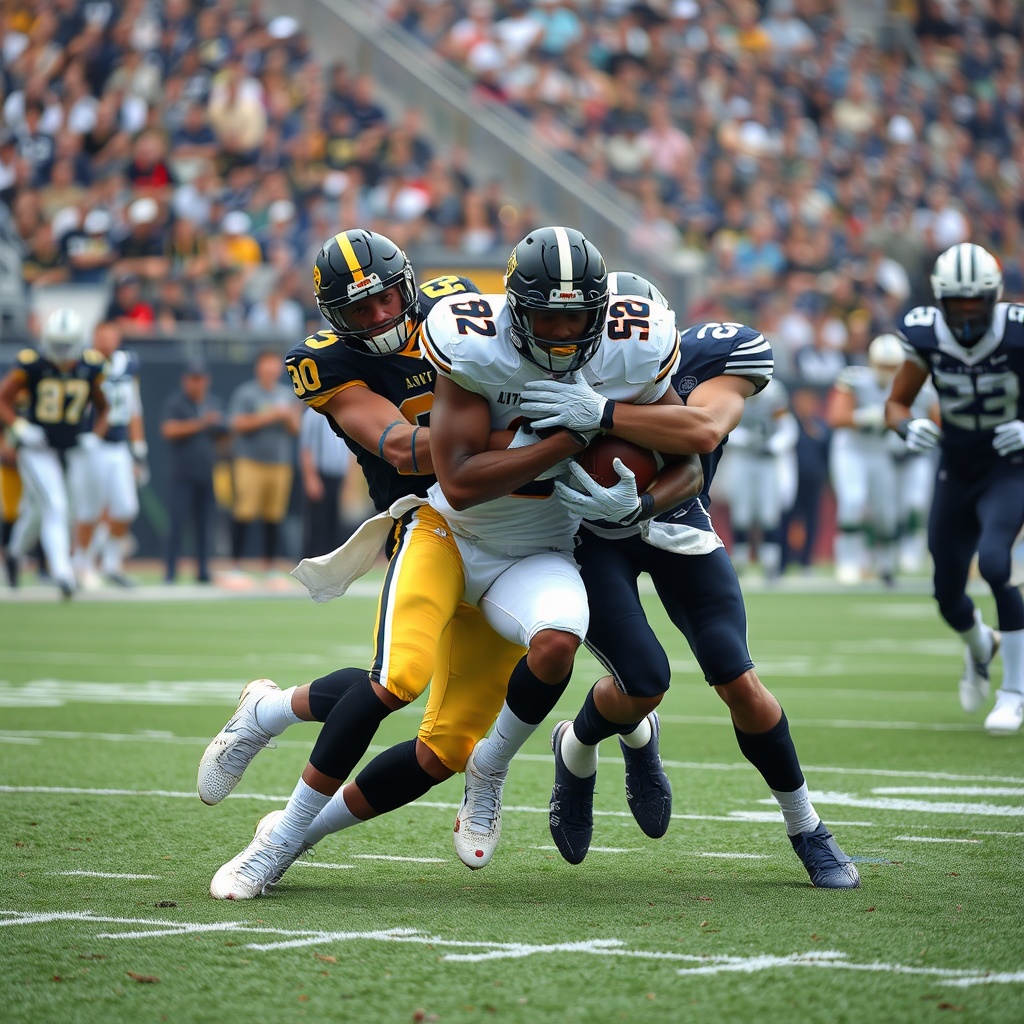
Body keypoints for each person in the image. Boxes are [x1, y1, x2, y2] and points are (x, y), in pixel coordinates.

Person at [207, 226, 693, 898]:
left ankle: (474, 768)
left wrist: (618, 443)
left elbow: (693, 444)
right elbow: (422, 457)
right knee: (397, 678)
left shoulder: (609, 351)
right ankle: (276, 839)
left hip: (537, 547)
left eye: (386, 299)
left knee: (469, 728)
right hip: (440, 524)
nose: (379, 317)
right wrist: (560, 435)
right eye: (359, 309)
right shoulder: (463, 340)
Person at [516, 274, 860, 888]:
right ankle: (577, 746)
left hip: (678, 521)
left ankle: (807, 827)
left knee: (738, 678)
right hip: (588, 537)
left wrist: (611, 425)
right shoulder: (550, 361)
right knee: (643, 684)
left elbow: (701, 439)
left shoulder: (707, 358)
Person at [885, 241, 1024, 736]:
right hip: (957, 466)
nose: (966, 314)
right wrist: (907, 426)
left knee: (996, 563)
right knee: (946, 592)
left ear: (994, 297)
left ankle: (1015, 692)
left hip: (1009, 466)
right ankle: (981, 645)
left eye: (974, 303)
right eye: (956, 304)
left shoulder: (1017, 332)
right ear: (940, 300)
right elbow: (896, 403)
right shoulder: (925, 333)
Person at [0, 309, 108, 599]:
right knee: (56, 506)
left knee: (41, 512)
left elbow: (105, 407)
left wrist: (95, 436)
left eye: (66, 344)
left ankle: (14, 553)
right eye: (56, 344)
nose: (61, 352)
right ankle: (63, 573)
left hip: (72, 448)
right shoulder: (32, 364)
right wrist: (20, 426)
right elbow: (2, 399)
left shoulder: (91, 365)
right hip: (37, 448)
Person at [826, 333, 937, 586]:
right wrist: (865, 417)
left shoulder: (913, 385)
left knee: (886, 513)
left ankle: (886, 564)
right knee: (852, 501)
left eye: (893, 366)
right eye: (883, 365)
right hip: (852, 450)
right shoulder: (855, 379)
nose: (888, 371)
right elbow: (836, 417)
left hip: (882, 452)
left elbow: (933, 416)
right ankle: (848, 561)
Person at [68, 320, 149, 588]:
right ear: (93, 338)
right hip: (89, 445)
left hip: (118, 445)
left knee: (126, 507)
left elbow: (133, 406)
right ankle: (81, 565)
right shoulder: (83, 364)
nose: (105, 341)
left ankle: (112, 564)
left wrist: (139, 449)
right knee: (89, 509)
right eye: (101, 336)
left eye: (110, 335)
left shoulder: (128, 362)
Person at [225, 349, 302, 581]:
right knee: (244, 512)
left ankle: (269, 566)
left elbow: (296, 429)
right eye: (266, 364)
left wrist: (288, 417)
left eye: (274, 365)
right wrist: (271, 416)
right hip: (250, 461)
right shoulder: (246, 393)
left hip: (279, 463)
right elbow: (237, 423)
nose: (270, 369)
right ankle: (235, 564)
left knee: (274, 515)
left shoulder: (287, 394)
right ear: (258, 367)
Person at [717, 376, 798, 579]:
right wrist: (743, 439)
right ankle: (740, 562)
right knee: (741, 513)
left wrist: (774, 445)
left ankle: (770, 563)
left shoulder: (774, 393)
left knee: (769, 513)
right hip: (742, 458)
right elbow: (722, 424)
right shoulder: (734, 389)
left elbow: (787, 427)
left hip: (767, 460)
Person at [160, 360, 226, 585]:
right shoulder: (177, 403)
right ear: (185, 380)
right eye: (193, 379)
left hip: (206, 474)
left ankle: (203, 570)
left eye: (201, 379)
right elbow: (169, 430)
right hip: (182, 475)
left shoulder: (213, 403)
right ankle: (170, 571)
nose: (197, 384)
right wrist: (202, 423)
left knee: (204, 525)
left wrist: (220, 431)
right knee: (177, 524)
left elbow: (224, 434)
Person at [297, 404, 350, 559]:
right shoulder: (314, 413)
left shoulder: (344, 410)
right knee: (318, 522)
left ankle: (332, 559)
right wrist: (310, 477)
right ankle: (314, 559)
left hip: (339, 475)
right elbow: (305, 446)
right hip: (320, 474)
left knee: (336, 522)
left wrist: (349, 480)